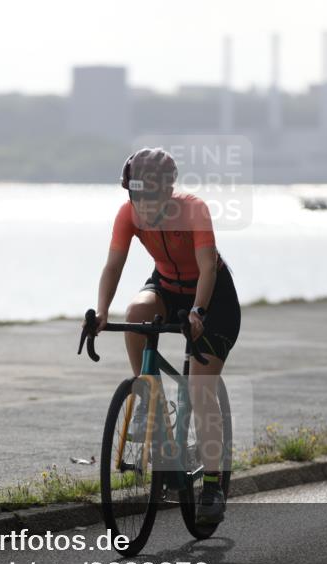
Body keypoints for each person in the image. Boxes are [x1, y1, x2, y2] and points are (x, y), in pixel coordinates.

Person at [91, 147, 241, 524]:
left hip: (212, 297)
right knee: (136, 313)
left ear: (167, 193)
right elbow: (114, 265)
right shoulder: (127, 214)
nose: (140, 206)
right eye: (134, 196)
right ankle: (146, 397)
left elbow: (207, 268)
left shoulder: (193, 210)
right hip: (167, 286)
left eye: (148, 198)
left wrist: (198, 312)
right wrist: (102, 312)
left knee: (201, 389)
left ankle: (211, 485)